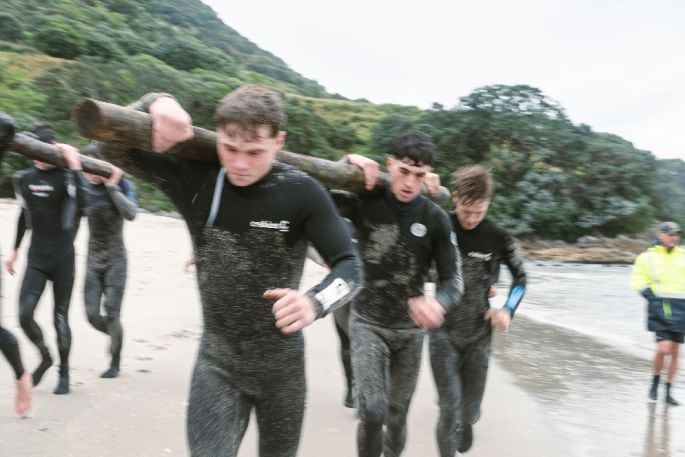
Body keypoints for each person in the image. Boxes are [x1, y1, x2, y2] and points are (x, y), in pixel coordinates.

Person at [92, 85, 363, 457]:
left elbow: (351, 268)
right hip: (217, 364)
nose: (239, 163)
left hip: (281, 371)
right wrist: (155, 100)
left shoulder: (303, 192)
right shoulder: (196, 180)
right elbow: (109, 145)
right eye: (230, 148)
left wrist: (315, 302)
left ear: (278, 141)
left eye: (254, 152)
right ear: (218, 134)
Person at [335, 131, 463, 457]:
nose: (409, 182)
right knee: (373, 409)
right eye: (403, 171)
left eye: (418, 175)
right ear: (390, 164)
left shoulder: (434, 218)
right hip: (367, 323)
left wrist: (438, 303)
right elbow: (319, 194)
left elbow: (453, 281)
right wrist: (348, 162)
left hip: (409, 332)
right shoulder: (364, 200)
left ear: (428, 175)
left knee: (396, 415)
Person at [427, 164, 526, 455]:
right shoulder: (441, 224)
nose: (471, 219)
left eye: (478, 213)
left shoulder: (497, 235)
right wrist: (430, 195)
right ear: (455, 198)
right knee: (448, 407)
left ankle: (467, 421)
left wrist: (507, 309)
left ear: (488, 205)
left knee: (468, 411)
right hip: (442, 331)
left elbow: (521, 277)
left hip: (478, 335)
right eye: (466, 211)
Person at [6, 124, 85, 395]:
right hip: (36, 257)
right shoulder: (24, 179)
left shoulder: (66, 177)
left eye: (45, 149)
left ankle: (64, 372)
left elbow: (82, 207)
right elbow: (23, 215)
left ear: (53, 148)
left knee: (59, 318)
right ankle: (45, 356)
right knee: (24, 315)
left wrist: (74, 166)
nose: (39, 156)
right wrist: (15, 249)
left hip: (63, 259)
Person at [82, 161, 137, 379]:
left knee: (113, 314)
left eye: (91, 170)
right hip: (93, 261)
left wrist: (112, 186)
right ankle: (115, 337)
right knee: (91, 314)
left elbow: (131, 213)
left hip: (116, 260)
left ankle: (115, 362)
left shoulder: (124, 186)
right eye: (85, 170)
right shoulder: (83, 187)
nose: (87, 174)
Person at [631, 221, 685, 406]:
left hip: (682, 308)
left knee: (676, 351)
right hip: (659, 307)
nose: (674, 237)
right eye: (670, 234)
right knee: (664, 349)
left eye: (677, 234)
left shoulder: (683, 255)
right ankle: (655, 382)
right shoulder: (647, 257)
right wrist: (650, 296)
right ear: (660, 235)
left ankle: (668, 391)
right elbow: (637, 278)